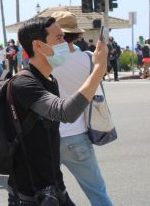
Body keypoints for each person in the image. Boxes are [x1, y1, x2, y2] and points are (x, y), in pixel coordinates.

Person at [7, 16, 108, 205]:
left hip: (53, 188)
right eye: (59, 39)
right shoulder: (24, 83)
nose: (66, 45)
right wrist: (98, 70)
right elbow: (65, 112)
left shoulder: (49, 80)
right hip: (31, 195)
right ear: (38, 46)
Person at [51, 11, 113, 206]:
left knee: (46, 191)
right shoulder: (87, 58)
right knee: (97, 192)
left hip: (49, 136)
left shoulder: (47, 61)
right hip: (78, 134)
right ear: (76, 34)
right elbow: (100, 76)